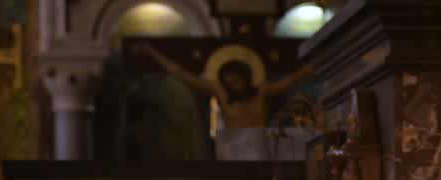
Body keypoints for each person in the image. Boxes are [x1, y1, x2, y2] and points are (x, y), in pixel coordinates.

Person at [134, 42, 313, 129]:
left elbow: (293, 78)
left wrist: (317, 61)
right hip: (232, 152)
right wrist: (152, 52)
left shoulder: (262, 90)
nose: (233, 86)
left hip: (261, 151)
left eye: (236, 81)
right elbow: (182, 74)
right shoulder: (221, 92)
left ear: (246, 77)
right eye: (229, 83)